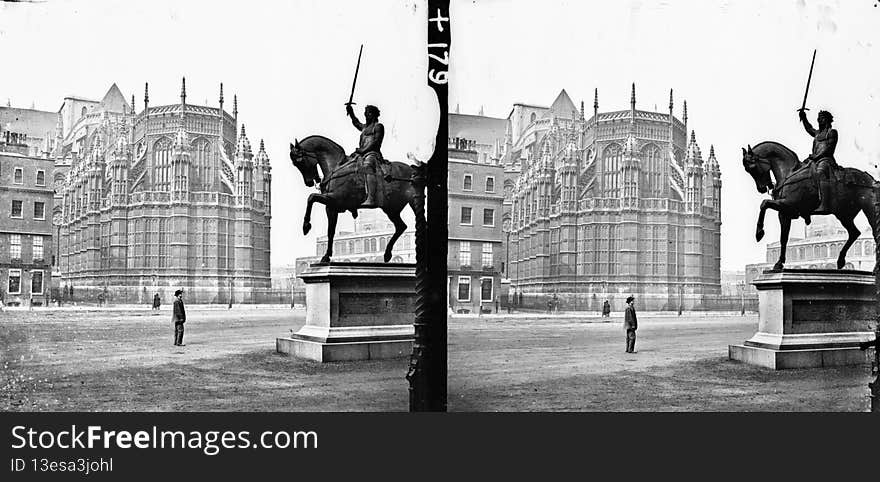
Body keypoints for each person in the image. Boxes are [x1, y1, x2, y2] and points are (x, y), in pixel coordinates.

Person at [345, 103, 391, 208]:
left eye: (368, 113)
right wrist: (351, 112)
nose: (365, 116)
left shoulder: (378, 126)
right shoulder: (365, 127)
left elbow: (376, 143)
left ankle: (371, 198)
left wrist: (362, 150)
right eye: (365, 113)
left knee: (367, 166)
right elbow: (356, 123)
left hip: (372, 154)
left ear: (373, 115)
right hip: (361, 154)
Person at [797, 109, 838, 214]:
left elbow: (829, 149)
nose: (819, 120)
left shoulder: (832, 132)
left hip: (826, 160)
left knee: (819, 173)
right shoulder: (817, 133)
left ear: (827, 120)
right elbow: (809, 128)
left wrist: (816, 156)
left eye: (822, 118)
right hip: (815, 160)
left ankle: (824, 204)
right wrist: (804, 117)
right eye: (818, 118)